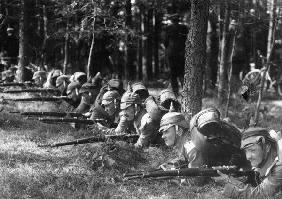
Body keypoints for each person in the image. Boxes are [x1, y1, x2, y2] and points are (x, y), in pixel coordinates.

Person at [159, 107, 249, 169]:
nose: (163, 136)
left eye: (166, 131)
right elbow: (186, 159)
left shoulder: (191, 146)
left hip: (242, 163)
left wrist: (176, 178)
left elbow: (197, 180)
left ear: (178, 130)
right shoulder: (189, 140)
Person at [217, 127, 282, 199]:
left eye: (252, 150)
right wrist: (230, 180)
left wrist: (229, 186)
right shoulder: (269, 154)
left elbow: (261, 194)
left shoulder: (280, 166)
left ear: (267, 147)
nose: (248, 157)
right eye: (246, 151)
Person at [164, 14, 188, 96]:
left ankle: (176, 93)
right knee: (182, 74)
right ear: (178, 20)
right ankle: (185, 92)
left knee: (173, 75)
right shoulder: (184, 28)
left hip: (171, 54)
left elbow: (165, 42)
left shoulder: (168, 28)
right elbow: (187, 40)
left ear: (172, 20)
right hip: (181, 54)